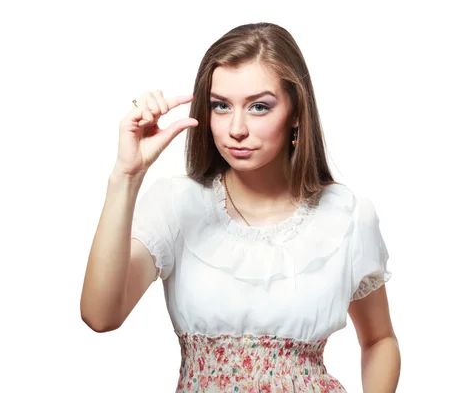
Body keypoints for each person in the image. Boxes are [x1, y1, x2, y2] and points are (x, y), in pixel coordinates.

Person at [80, 22, 401, 392]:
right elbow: (100, 315)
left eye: (259, 107)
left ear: (296, 112)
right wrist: (126, 175)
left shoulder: (345, 217)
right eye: (221, 106)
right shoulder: (176, 204)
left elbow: (379, 340)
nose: (236, 128)